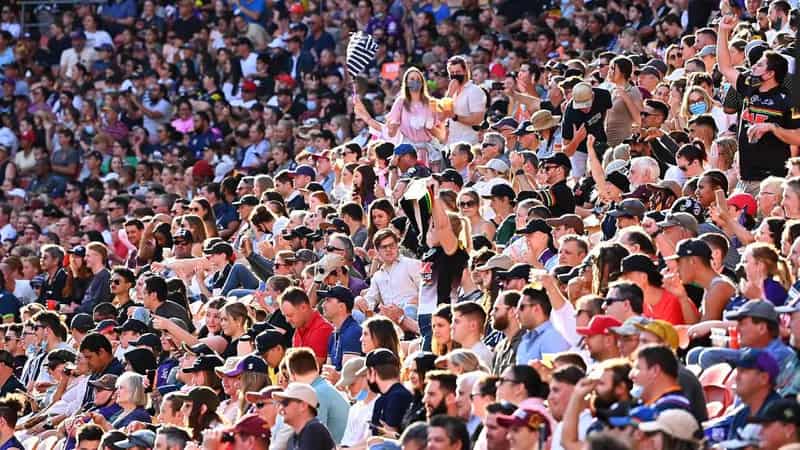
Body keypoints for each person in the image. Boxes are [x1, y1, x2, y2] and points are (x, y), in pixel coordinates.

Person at [362, 348, 413, 435]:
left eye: (367, 372)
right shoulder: (382, 399)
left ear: (373, 372)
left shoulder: (397, 397)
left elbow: (390, 438)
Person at [272, 382, 335, 450]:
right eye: (280, 404)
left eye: (285, 403)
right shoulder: (292, 439)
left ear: (303, 406)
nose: (281, 408)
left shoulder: (314, 429)